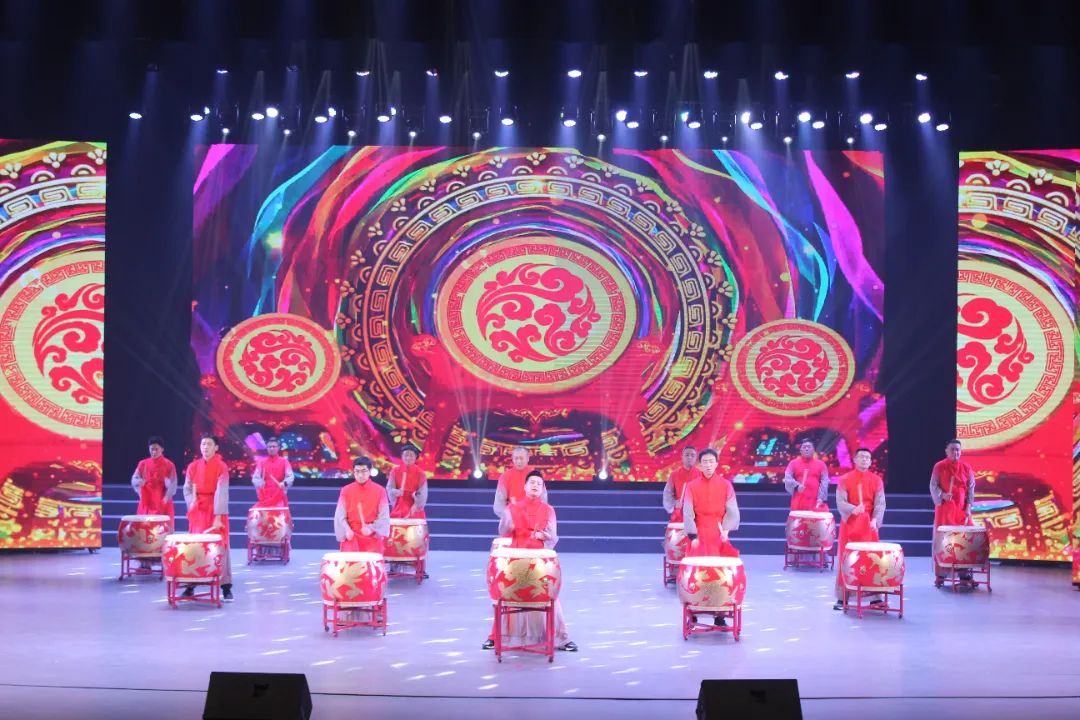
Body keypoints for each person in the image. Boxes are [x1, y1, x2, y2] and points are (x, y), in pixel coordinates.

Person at [491, 471, 577, 652]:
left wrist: (543, 535)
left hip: (538, 561)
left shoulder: (548, 510)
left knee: (548, 597)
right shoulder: (512, 508)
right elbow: (503, 531)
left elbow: (553, 538)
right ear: (525, 486)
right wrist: (509, 524)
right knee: (507, 597)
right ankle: (497, 637)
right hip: (516, 560)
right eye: (532, 482)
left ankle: (561, 638)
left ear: (543, 488)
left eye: (539, 483)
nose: (535, 485)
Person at [833, 447, 886, 610]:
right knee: (848, 559)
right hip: (850, 525)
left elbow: (880, 503)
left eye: (867, 457)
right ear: (855, 460)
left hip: (869, 525)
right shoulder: (845, 479)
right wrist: (853, 509)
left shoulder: (876, 480)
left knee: (871, 560)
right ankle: (843, 598)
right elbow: (840, 502)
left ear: (870, 462)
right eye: (861, 457)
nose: (865, 459)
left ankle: (875, 598)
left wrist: (875, 519)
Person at [183, 434, 233, 601]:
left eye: (209, 444)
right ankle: (190, 585)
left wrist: (218, 516)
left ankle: (225, 586)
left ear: (216, 447)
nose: (205, 447)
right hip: (198, 510)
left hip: (215, 509)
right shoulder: (193, 466)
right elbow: (187, 489)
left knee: (220, 547)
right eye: (203, 444)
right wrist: (192, 504)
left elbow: (222, 492)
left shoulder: (221, 467)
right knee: (195, 546)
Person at [930, 439, 976, 585]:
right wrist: (943, 495)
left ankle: (964, 575)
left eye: (958, 449)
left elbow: (971, 489)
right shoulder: (939, 466)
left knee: (965, 541)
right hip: (945, 508)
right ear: (946, 451)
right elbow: (933, 485)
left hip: (961, 509)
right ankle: (941, 576)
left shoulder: (966, 467)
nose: (955, 452)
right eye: (952, 449)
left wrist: (968, 508)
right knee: (944, 541)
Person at [683, 448, 741, 558]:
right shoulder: (691, 486)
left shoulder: (726, 485)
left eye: (711, 461)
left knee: (719, 564)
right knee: (698, 565)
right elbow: (687, 512)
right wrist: (693, 536)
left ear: (716, 464)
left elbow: (732, 510)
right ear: (700, 465)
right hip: (698, 532)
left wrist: (725, 531)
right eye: (705, 462)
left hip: (718, 532)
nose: (708, 465)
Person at [334, 457, 390, 553]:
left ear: (370, 471)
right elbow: (340, 516)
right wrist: (347, 530)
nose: (360, 475)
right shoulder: (346, 490)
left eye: (364, 471)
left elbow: (384, 517)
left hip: (371, 536)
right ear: (353, 472)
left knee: (371, 561)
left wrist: (371, 529)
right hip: (352, 536)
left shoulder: (380, 491)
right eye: (357, 471)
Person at [131, 435, 178, 527]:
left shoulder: (169, 465)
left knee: (162, 528)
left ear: (162, 449)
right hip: (147, 499)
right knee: (145, 527)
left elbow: (173, 483)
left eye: (156, 449)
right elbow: (134, 479)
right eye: (152, 449)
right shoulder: (143, 464)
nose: (154, 452)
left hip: (162, 498)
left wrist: (166, 496)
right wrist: (139, 482)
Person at [492, 446, 547, 518]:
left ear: (528, 458)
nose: (519, 461)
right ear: (512, 459)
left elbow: (543, 499)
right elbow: (499, 504)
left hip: (532, 517)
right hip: (512, 518)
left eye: (521, 458)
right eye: (516, 458)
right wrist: (509, 517)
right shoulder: (505, 476)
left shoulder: (536, 476)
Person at [783, 438, 829, 511]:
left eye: (809, 447)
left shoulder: (821, 464)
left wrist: (821, 497)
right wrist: (797, 486)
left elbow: (825, 481)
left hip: (815, 498)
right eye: (804, 447)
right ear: (800, 450)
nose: (806, 449)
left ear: (813, 450)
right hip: (799, 498)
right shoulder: (793, 463)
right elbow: (787, 478)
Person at [251, 437, 294, 508]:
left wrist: (284, 483)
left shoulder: (284, 462)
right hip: (265, 497)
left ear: (278, 448)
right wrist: (260, 483)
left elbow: (290, 477)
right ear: (267, 448)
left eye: (274, 447)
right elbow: (255, 478)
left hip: (279, 496)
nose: (272, 449)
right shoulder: (261, 462)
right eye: (269, 447)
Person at [387, 445, 428, 519]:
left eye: (411, 455)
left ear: (416, 457)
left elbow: (422, 493)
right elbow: (390, 488)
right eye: (406, 455)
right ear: (402, 456)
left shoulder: (421, 473)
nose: (408, 458)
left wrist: (416, 505)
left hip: (414, 503)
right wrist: (396, 492)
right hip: (399, 503)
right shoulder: (395, 471)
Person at [662, 446, 699, 521]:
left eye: (692, 455)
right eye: (687, 455)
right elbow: (667, 493)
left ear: (696, 458)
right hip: (679, 513)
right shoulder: (674, 474)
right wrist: (674, 503)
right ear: (682, 457)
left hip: (697, 513)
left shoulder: (701, 475)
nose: (690, 457)